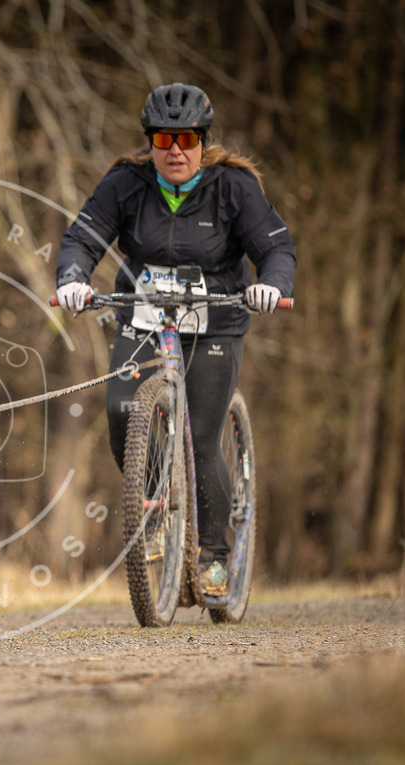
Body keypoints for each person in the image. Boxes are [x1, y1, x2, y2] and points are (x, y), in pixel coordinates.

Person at [54, 82, 296, 593]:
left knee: (202, 438)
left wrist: (271, 286)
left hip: (216, 322)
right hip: (145, 318)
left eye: (186, 141)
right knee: (125, 409)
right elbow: (82, 237)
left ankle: (213, 554)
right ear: (150, 143)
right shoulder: (125, 183)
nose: (176, 152)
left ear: (203, 142)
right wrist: (73, 280)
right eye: (164, 142)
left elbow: (276, 248)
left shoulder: (233, 187)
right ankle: (155, 509)